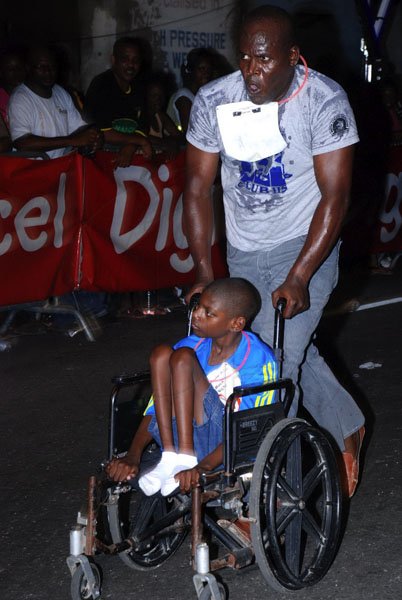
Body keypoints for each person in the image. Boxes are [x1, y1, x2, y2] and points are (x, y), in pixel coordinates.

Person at [182, 5, 365, 497]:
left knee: (269, 364)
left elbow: (336, 197)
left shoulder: (324, 101)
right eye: (243, 58)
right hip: (244, 252)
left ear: (292, 57)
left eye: (262, 61)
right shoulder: (215, 99)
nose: (250, 71)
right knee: (284, 348)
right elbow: (198, 189)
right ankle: (349, 424)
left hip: (306, 246)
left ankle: (253, 487)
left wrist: (302, 274)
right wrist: (204, 270)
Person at [106, 277, 277, 495]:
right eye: (198, 306)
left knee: (184, 359)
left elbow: (250, 427)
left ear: (236, 324)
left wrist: (204, 466)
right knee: (162, 354)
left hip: (225, 441)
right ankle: (171, 455)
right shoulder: (191, 344)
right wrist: (133, 454)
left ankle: (184, 457)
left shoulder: (257, 359)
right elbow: (156, 406)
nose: (196, 314)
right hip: (176, 437)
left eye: (209, 313)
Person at [8, 45, 102, 159]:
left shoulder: (61, 93)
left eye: (52, 66)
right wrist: (72, 140)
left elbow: (79, 127)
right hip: (31, 170)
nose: (48, 71)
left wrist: (93, 135)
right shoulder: (20, 99)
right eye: (41, 66)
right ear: (28, 68)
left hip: (59, 165)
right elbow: (22, 143)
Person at [84, 36, 153, 168]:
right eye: (125, 59)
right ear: (113, 60)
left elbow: (142, 127)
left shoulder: (139, 87)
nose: (131, 65)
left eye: (136, 60)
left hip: (128, 163)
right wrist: (139, 141)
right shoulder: (101, 85)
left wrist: (131, 145)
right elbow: (100, 132)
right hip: (99, 164)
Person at [167, 48, 215, 134]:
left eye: (209, 69)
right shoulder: (184, 96)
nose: (206, 73)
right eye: (201, 69)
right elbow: (191, 132)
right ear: (191, 70)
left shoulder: (202, 95)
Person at [0, 48, 25, 124]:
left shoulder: (31, 95)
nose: (17, 72)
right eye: (10, 69)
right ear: (1, 73)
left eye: (19, 68)